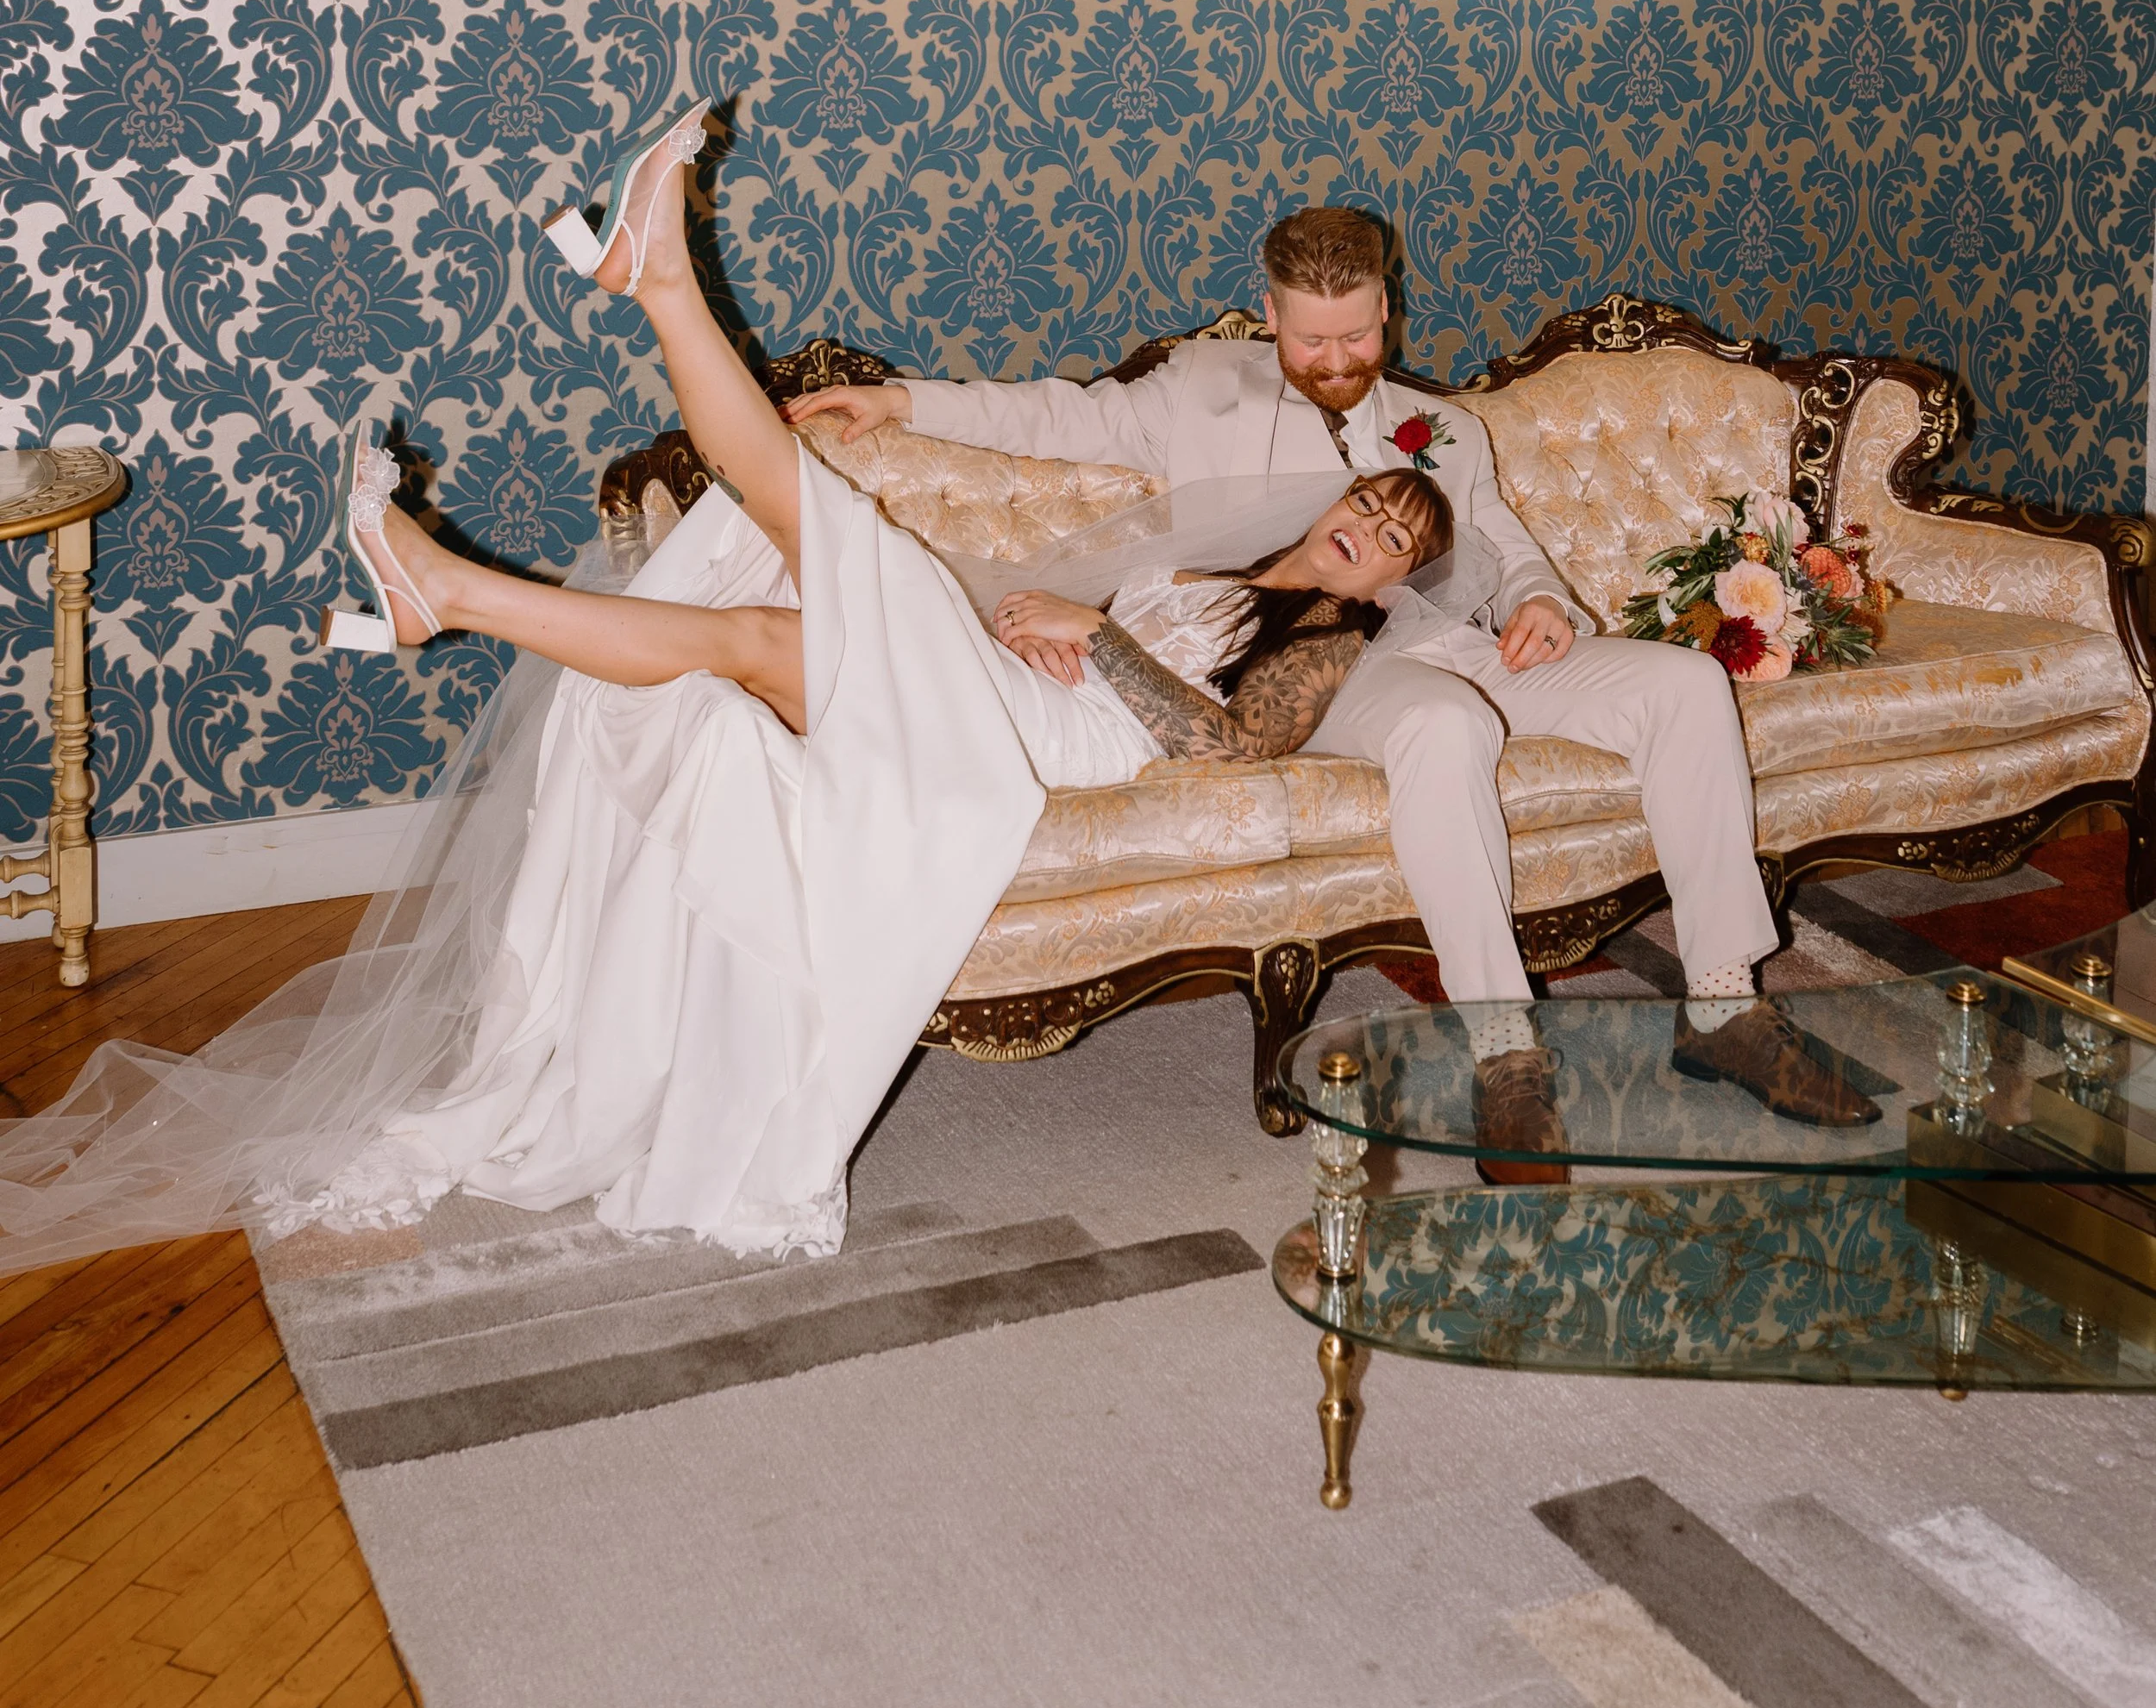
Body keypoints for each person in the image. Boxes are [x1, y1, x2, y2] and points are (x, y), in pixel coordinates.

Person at [284, 118, 1442, 1249]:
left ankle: (654, 297)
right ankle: (456, 589)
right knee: (750, 622)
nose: (1368, 519)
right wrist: (921, 437)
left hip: (1064, 737)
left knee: (811, 531)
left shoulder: (1334, 634)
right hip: (1008, 688)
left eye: (1393, 533)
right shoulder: (1221, 485)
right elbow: (1061, 408)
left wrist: (1101, 637)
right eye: (1369, 502)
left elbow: (1231, 748)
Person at [791, 203, 1877, 1179]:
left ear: (1387, 308)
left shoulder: (1441, 426)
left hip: (1453, 642)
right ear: (1269, 314)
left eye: (1357, 334)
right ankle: (1504, 1052)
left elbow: (1504, 545)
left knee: (1684, 684)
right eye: (1311, 338)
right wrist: (896, 399)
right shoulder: (1199, 392)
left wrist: (1541, 603)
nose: (1336, 357)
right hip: (1323, 670)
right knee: (1444, 724)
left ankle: (1724, 1005)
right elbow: (1054, 417)